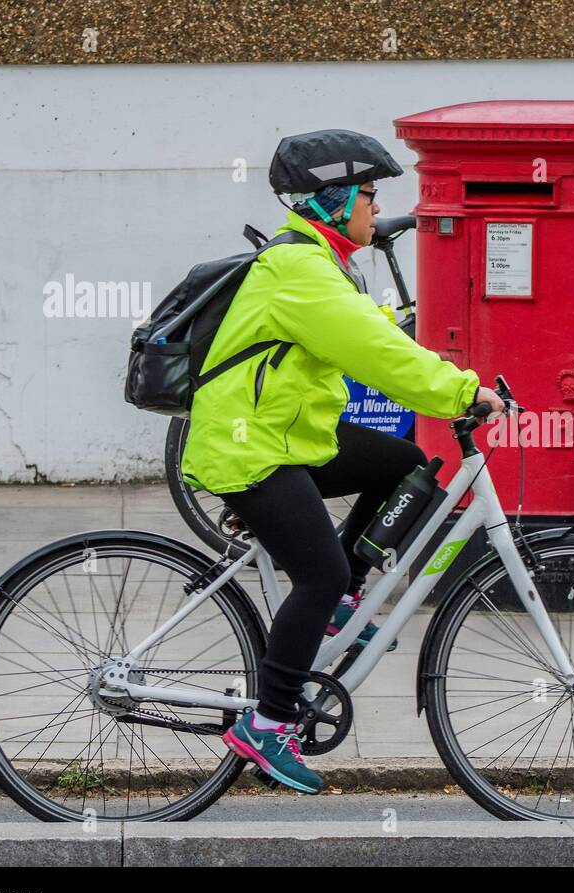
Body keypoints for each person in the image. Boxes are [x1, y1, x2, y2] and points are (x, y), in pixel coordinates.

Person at [179, 130, 502, 793]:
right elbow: (373, 354)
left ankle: (341, 604)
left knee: (404, 463)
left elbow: (375, 333)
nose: (376, 210)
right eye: (369, 196)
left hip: (288, 436)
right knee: (317, 573)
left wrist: (442, 375)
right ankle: (267, 726)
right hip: (252, 448)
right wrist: (461, 393)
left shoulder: (321, 262)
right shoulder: (297, 269)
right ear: (334, 199)